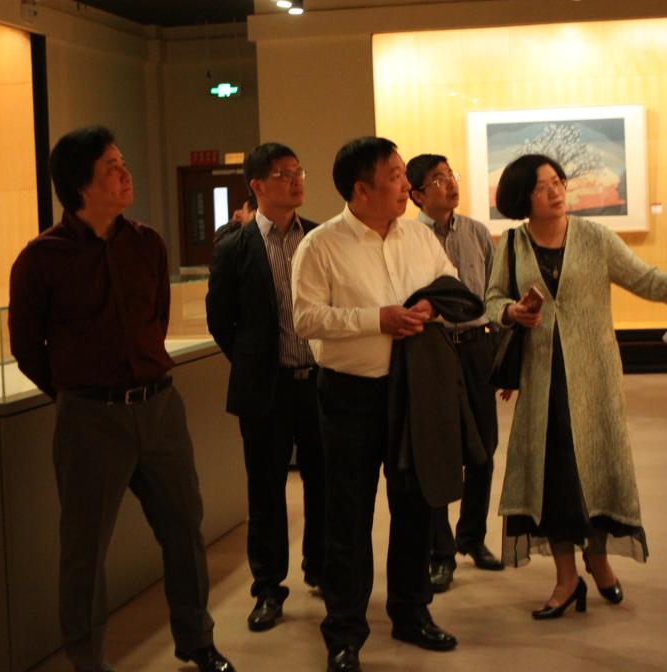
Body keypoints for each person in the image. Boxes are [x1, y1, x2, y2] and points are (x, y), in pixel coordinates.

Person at [8, 126, 234, 672]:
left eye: (123, 162)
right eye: (112, 167)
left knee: (183, 527)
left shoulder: (147, 244)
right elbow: (27, 348)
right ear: (80, 184)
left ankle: (197, 640)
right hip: (90, 417)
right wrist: (77, 394)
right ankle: (88, 661)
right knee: (85, 549)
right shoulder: (41, 259)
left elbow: (156, 318)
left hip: (159, 408)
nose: (125, 174)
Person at [484, 153, 667, 621]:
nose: (555, 191)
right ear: (523, 196)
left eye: (558, 181)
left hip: (593, 381)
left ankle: (598, 558)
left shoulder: (594, 237)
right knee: (554, 480)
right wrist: (511, 312)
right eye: (542, 186)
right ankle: (566, 578)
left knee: (597, 471)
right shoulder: (511, 245)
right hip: (542, 384)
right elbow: (492, 300)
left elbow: (643, 277)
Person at [292, 137, 460, 672]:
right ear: (361, 190)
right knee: (348, 516)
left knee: (415, 507)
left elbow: (451, 286)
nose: (406, 186)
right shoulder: (320, 245)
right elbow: (306, 319)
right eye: (394, 176)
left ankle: (411, 612)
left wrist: (429, 306)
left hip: (413, 390)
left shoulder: (419, 237)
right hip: (349, 395)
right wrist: (378, 320)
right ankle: (344, 633)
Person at [205, 143, 325, 632]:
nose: (296, 181)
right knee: (266, 493)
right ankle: (268, 588)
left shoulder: (318, 237)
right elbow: (220, 320)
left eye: (299, 171)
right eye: (283, 174)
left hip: (319, 383)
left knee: (325, 484)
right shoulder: (234, 246)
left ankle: (322, 568)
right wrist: (252, 362)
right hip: (265, 387)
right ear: (256, 185)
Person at [404, 153, 504, 594]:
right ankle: (440, 553)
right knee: (440, 450)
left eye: (451, 176)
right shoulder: (409, 239)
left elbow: (495, 293)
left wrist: (503, 357)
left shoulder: (477, 232)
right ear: (417, 195)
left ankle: (473, 538)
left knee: (484, 447)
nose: (449, 184)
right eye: (438, 179)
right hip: (436, 348)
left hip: (479, 346)